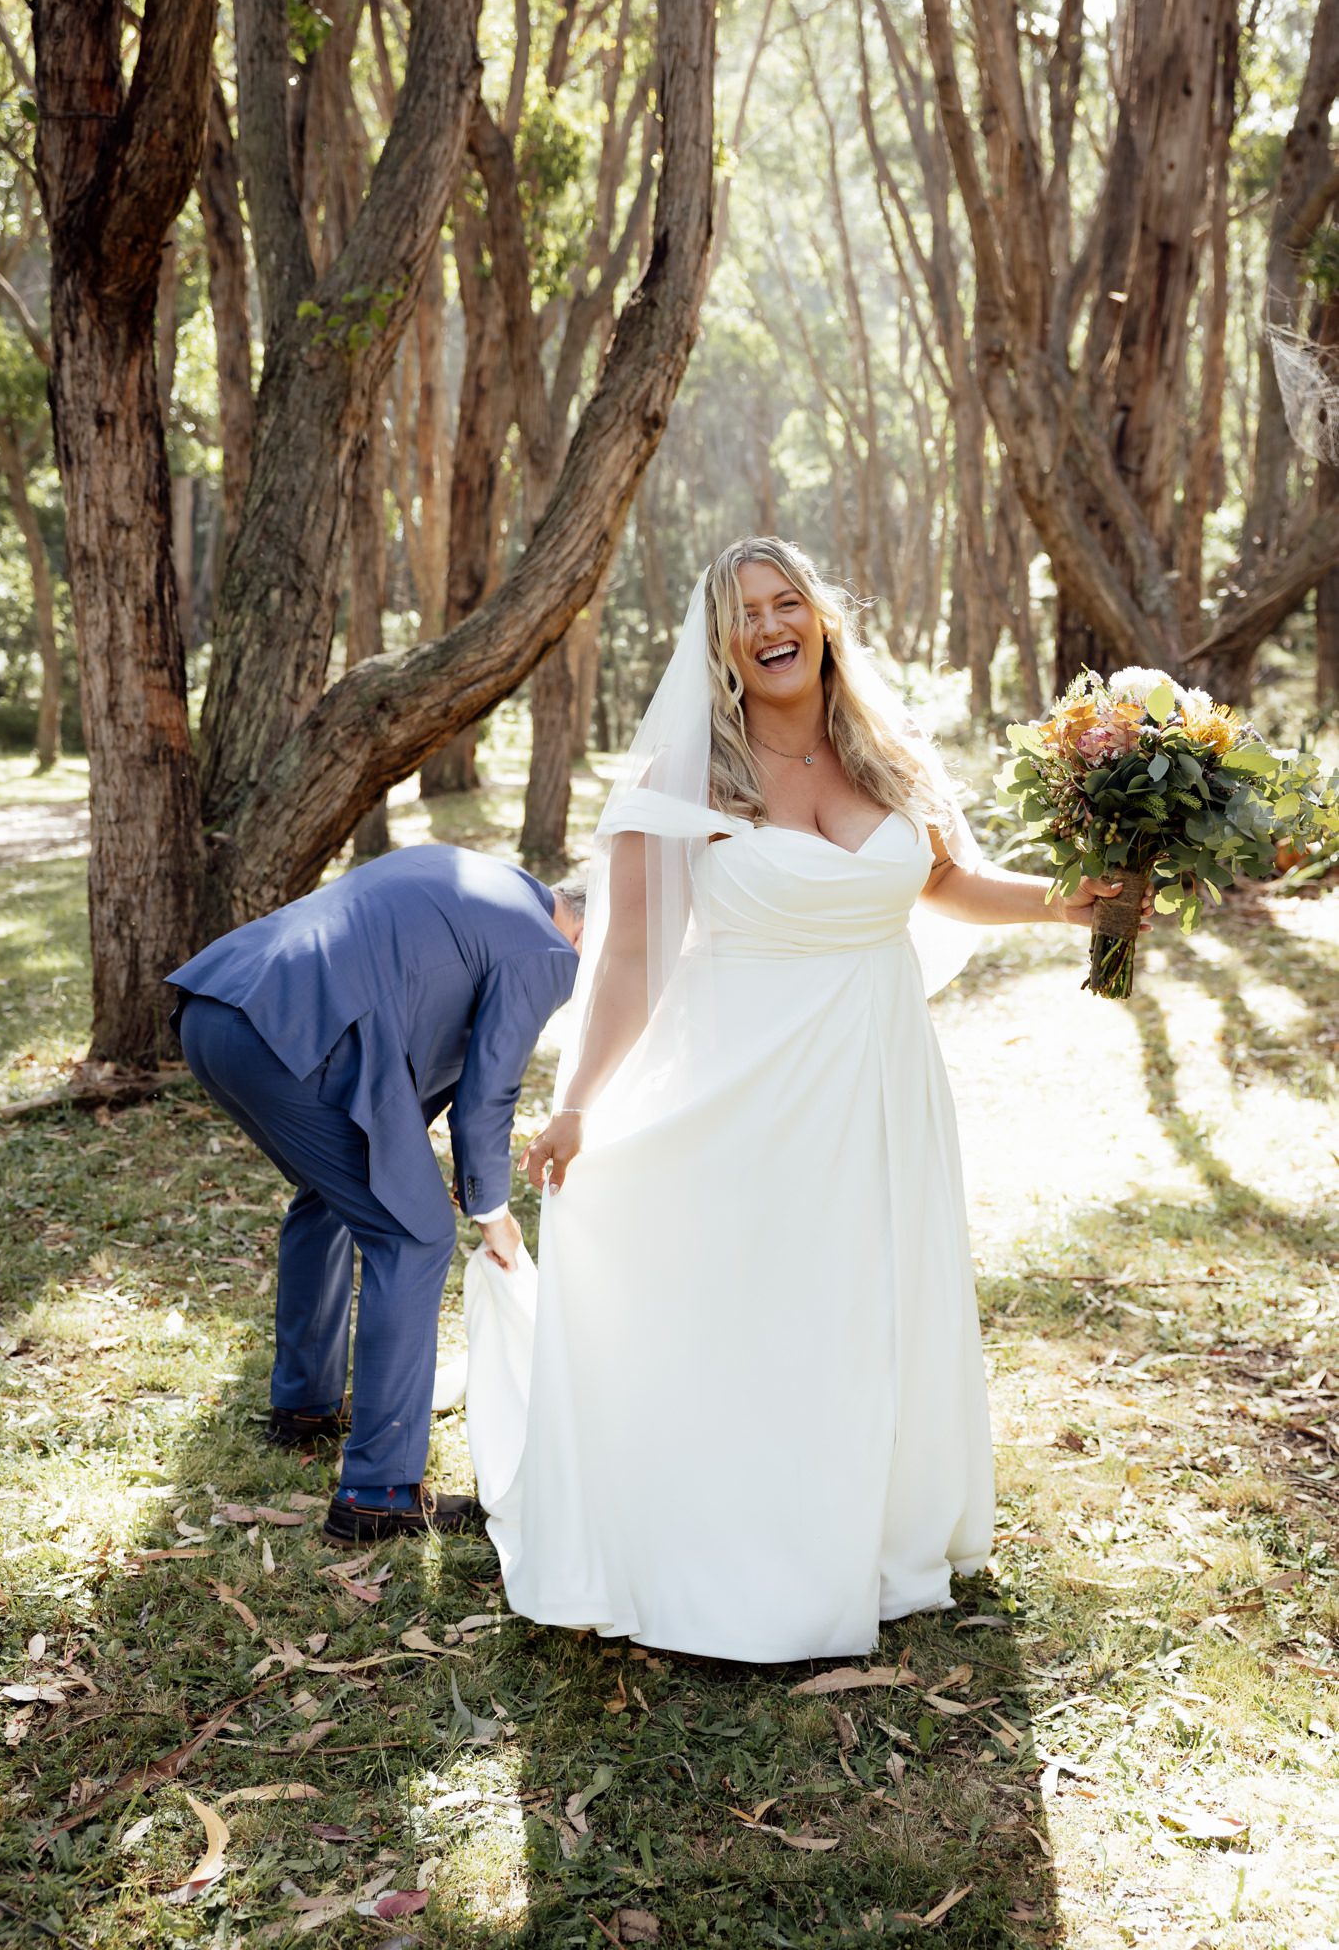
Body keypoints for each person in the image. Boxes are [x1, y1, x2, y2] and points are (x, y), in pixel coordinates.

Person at [473, 536, 1151, 1663]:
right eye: (742, 613)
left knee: (865, 1299)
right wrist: (579, 1099)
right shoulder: (682, 776)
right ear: (718, 644)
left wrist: (1067, 902)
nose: (768, 625)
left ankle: (870, 1530)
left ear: (821, 617)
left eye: (785, 601)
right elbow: (633, 955)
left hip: (880, 1074)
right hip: (749, 1084)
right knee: (763, 1303)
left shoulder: (887, 750)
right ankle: (741, 1545)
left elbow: (942, 882)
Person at [167, 845, 583, 1544]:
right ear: (587, 931)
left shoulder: (483, 875)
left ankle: (304, 1406)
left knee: (332, 1198)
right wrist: (491, 1212)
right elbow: (489, 1093)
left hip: (216, 1010)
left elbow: (400, 1003)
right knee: (415, 1237)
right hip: (283, 1039)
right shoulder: (545, 949)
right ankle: (379, 1496)